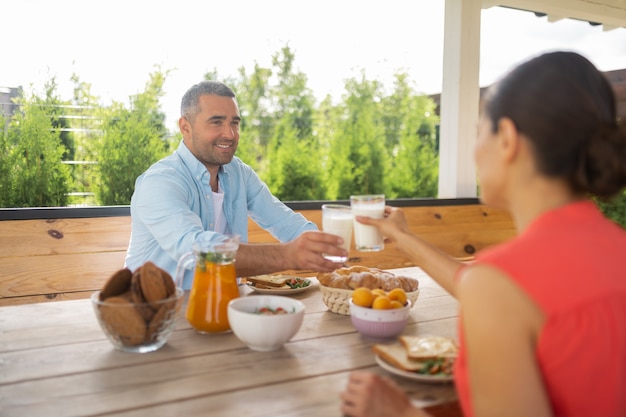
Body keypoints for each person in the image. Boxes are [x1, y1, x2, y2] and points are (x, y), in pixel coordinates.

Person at [340, 51, 626, 417]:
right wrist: (404, 237)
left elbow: (497, 291)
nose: (475, 151)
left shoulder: (502, 283)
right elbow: (493, 289)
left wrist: (401, 414)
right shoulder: (611, 250)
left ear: (506, 138)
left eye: (479, 131)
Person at [125, 80, 347, 289]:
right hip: (157, 317)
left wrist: (333, 257)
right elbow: (199, 251)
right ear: (186, 127)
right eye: (217, 122)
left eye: (235, 123)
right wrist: (286, 256)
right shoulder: (160, 182)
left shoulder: (238, 173)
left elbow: (288, 224)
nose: (230, 134)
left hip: (226, 304)